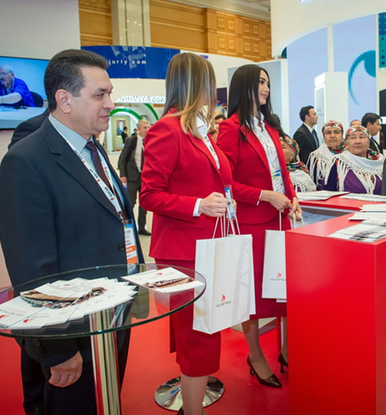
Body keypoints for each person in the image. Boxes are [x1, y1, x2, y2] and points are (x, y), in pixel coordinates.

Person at [0, 49, 142, 415]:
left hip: (113, 311)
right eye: (99, 94)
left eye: (109, 93)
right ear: (64, 100)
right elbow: (32, 268)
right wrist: (57, 349)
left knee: (107, 401)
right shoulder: (26, 161)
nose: (110, 104)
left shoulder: (92, 147)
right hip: (74, 329)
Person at [139, 53, 232, 415]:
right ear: (196, 83)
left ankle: (193, 395)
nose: (214, 90)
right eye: (209, 82)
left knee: (204, 328)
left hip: (208, 244)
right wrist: (198, 205)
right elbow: (149, 195)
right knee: (198, 334)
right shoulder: (167, 129)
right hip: (185, 249)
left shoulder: (200, 130)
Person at [216, 64, 301, 389]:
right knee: (250, 296)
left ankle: (288, 350)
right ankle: (255, 355)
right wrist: (265, 196)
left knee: (286, 290)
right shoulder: (230, 129)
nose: (266, 88)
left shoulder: (270, 126)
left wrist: (292, 198)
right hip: (252, 224)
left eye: (267, 83)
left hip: (281, 220)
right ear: (245, 86)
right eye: (260, 82)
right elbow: (226, 183)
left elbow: (283, 172)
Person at [119, 119, 151, 235]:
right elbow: (123, 159)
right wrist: (123, 175)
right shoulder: (131, 141)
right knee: (130, 203)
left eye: (148, 127)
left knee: (144, 204)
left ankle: (142, 227)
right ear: (138, 129)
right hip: (132, 177)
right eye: (144, 127)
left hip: (146, 178)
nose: (147, 129)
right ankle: (128, 228)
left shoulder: (152, 141)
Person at [329, 125, 383, 194]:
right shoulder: (338, 163)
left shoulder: (380, 162)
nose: (358, 141)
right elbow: (328, 192)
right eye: (353, 138)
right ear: (347, 143)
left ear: (368, 142)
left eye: (362, 137)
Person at [307, 120, 346, 190]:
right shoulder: (316, 157)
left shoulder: (350, 154)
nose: (332, 136)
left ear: (341, 135)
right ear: (324, 136)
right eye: (328, 133)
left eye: (336, 132)